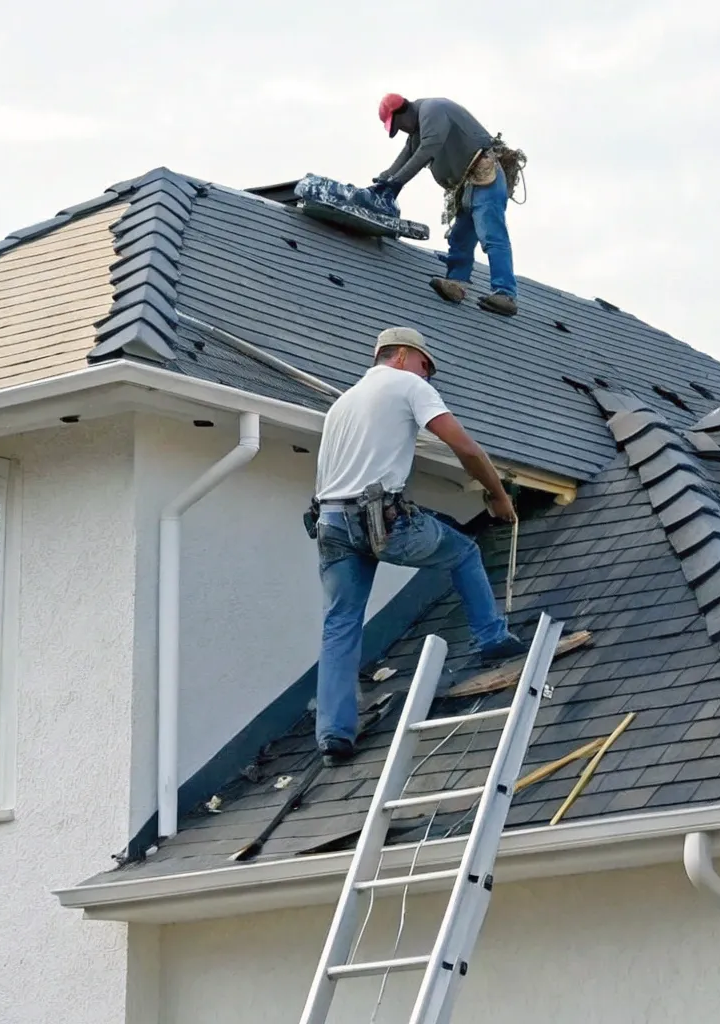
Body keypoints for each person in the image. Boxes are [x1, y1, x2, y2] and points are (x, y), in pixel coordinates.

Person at [308, 326, 526, 762]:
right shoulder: (408, 385)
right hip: (381, 521)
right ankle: (492, 638)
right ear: (402, 356)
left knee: (341, 623)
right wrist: (499, 496)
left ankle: (333, 735)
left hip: (330, 522)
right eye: (426, 366)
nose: (428, 376)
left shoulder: (342, 404)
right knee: (463, 551)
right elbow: (465, 448)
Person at [369, 94, 519, 317]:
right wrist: (384, 180)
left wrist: (397, 182)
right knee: (460, 238)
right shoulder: (419, 127)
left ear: (403, 111)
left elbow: (428, 149)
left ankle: (505, 293)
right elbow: (408, 154)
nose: (403, 131)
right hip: (468, 185)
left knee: (491, 232)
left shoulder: (432, 110)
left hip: (484, 176)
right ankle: (457, 283)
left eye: (399, 125)